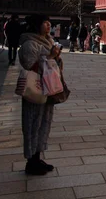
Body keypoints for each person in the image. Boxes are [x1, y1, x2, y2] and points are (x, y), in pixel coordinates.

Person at [18, 14, 61, 175]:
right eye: (45, 22)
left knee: (44, 122)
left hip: (48, 87)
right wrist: (51, 56)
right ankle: (31, 161)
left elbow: (53, 63)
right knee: (32, 123)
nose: (49, 25)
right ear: (37, 25)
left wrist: (56, 57)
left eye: (50, 22)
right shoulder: (30, 43)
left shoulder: (48, 41)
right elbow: (29, 65)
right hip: (35, 88)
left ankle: (37, 156)